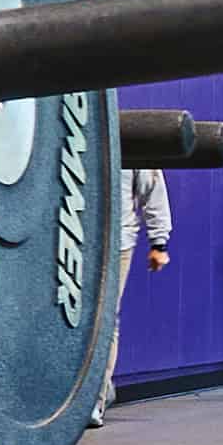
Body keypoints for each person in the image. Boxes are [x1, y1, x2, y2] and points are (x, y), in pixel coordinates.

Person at [90, 138, 173, 426]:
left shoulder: (131, 136)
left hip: (117, 242)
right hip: (74, 238)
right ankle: (91, 387)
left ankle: (95, 399)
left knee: (105, 317)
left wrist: (159, 243)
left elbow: (153, 190)